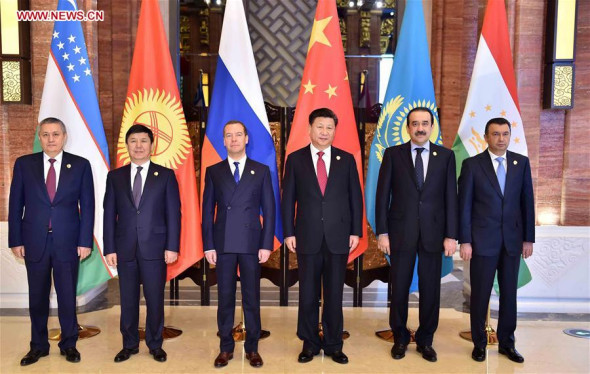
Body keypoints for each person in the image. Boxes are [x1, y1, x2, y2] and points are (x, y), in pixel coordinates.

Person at [8, 117, 94, 365]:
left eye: (55, 134)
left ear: (64, 136)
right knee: (37, 297)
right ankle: (38, 346)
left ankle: (69, 344)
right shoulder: (24, 165)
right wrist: (16, 239)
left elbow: (87, 207)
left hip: (68, 242)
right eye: (45, 134)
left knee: (68, 296)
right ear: (39, 137)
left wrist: (84, 240)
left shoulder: (80, 166)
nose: (51, 139)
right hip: (34, 242)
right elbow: (16, 205)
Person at [375, 107, 458, 363]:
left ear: (432, 126)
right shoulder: (393, 154)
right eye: (415, 124)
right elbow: (382, 196)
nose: (420, 128)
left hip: (434, 234)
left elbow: (450, 198)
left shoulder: (445, 156)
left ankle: (425, 340)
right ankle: (400, 337)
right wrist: (383, 232)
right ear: (408, 127)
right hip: (400, 233)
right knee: (399, 288)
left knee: (430, 289)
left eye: (424, 123)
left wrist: (451, 235)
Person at [282, 107, 363, 365]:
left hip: (338, 237)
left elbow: (355, 199)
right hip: (307, 236)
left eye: (329, 128)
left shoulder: (346, 159)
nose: (324, 132)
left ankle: (333, 344)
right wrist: (288, 232)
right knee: (307, 294)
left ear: (335, 131)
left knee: (334, 294)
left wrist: (355, 231)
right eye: (320, 127)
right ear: (309, 129)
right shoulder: (295, 160)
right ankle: (309, 343)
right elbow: (288, 201)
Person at [458, 117, 534, 363]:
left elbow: (527, 203)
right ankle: (479, 343)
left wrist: (528, 239)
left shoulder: (520, 163)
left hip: (512, 242)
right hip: (482, 242)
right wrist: (465, 240)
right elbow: (465, 206)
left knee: (509, 295)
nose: (501, 139)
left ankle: (507, 344)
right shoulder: (472, 165)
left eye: (505, 134)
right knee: (480, 295)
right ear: (486, 136)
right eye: (496, 134)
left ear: (510, 136)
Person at [103, 124, 181, 363]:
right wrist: (109, 248)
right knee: (127, 299)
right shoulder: (115, 176)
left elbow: (173, 214)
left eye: (143, 141)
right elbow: (109, 214)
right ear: (127, 145)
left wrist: (172, 246)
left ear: (151, 145)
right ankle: (128, 345)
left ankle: (155, 344)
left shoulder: (165, 176)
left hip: (155, 248)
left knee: (155, 298)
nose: (138, 145)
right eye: (133, 141)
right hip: (124, 247)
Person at [202, 120, 275, 369]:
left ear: (246, 139)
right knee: (224, 297)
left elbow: (270, 209)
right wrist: (208, 245)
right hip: (222, 244)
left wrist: (266, 244)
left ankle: (252, 348)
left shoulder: (261, 170)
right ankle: (225, 348)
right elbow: (206, 212)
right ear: (223, 141)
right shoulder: (214, 171)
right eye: (228, 135)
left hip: (251, 243)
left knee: (251, 298)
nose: (233, 139)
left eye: (238, 135)